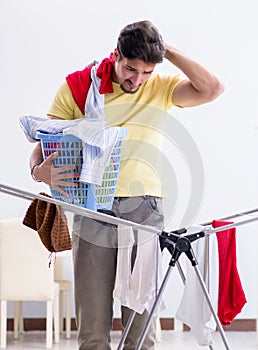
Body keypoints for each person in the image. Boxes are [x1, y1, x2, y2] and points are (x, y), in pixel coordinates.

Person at [29, 20, 224, 350]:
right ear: (117, 55)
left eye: (146, 72)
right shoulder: (80, 87)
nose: (138, 80)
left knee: (140, 327)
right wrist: (39, 172)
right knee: (92, 326)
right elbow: (41, 144)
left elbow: (212, 88)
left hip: (144, 209)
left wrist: (167, 49)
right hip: (92, 209)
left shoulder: (159, 86)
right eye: (131, 69)